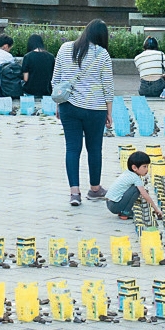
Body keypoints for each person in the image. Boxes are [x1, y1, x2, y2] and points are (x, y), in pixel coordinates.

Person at [54, 20, 115, 206]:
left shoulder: (65, 48)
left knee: (72, 148)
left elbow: (56, 79)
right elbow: (108, 86)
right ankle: (95, 189)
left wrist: (58, 104)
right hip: (95, 109)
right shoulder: (102, 54)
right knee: (94, 148)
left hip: (68, 106)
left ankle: (74, 193)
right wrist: (109, 113)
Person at [104, 149, 165, 221]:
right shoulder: (135, 178)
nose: (147, 170)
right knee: (136, 189)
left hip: (110, 203)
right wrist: (156, 209)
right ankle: (125, 212)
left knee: (135, 188)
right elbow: (145, 195)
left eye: (147, 166)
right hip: (114, 205)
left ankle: (122, 210)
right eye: (144, 167)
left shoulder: (127, 173)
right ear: (134, 168)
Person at [22, 33, 56, 101]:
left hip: (31, 91)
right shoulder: (51, 57)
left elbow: (25, 78)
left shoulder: (28, 57)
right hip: (47, 92)